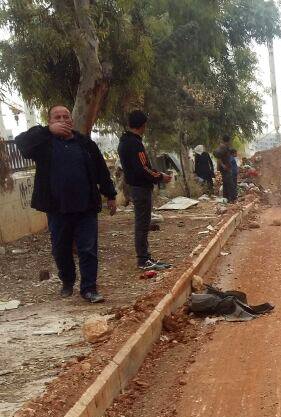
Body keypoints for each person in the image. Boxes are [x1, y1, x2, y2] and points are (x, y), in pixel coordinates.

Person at [15, 105, 117, 303]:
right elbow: (22, 144)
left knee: (88, 248)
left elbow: (101, 171)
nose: (62, 119)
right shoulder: (44, 143)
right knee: (60, 249)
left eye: (65, 116)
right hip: (57, 208)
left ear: (71, 120)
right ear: (50, 120)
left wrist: (110, 195)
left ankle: (89, 288)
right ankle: (67, 281)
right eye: (57, 117)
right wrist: (47, 131)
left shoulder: (85, 143)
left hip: (86, 207)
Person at [117, 110, 172, 271]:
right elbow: (143, 168)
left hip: (135, 186)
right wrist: (160, 176)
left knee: (142, 223)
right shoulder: (135, 143)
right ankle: (143, 260)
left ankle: (145, 257)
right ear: (143, 125)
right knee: (142, 223)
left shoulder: (124, 142)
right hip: (140, 187)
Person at [213, 135, 235, 203]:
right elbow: (218, 157)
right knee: (230, 184)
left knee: (226, 183)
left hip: (226, 168)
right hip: (226, 169)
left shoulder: (224, 147)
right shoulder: (223, 147)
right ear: (228, 141)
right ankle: (231, 199)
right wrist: (223, 165)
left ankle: (226, 199)